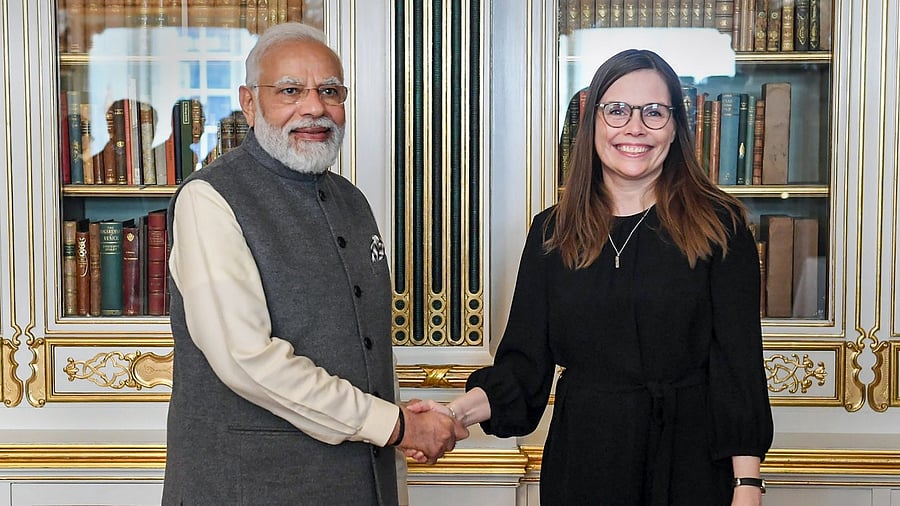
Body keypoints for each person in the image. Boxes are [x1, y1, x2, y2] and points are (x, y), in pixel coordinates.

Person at [409, 49, 774, 505]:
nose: (634, 128)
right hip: (585, 461)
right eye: (617, 110)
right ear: (592, 122)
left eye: (654, 112)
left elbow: (736, 368)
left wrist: (747, 485)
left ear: (678, 126)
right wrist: (451, 411)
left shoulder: (722, 226)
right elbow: (524, 369)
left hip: (693, 464)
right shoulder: (551, 232)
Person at [162, 22, 465, 505]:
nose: (314, 108)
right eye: (290, 91)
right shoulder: (210, 199)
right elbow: (247, 359)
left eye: (329, 91)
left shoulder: (352, 201)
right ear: (248, 102)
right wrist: (394, 424)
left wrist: (396, 421)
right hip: (249, 487)